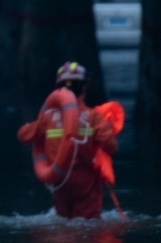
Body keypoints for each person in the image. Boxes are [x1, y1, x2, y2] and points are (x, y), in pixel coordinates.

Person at [15, 61, 123, 219]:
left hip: (60, 181)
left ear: (59, 89)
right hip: (86, 183)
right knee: (87, 226)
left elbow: (23, 135)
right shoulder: (93, 117)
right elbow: (111, 146)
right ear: (84, 87)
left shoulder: (48, 118)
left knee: (64, 226)